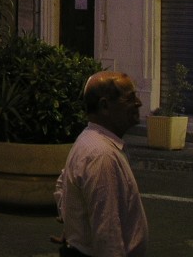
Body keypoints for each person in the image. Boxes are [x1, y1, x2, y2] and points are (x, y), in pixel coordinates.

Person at [55, 71, 147, 257]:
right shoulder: (101, 155)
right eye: (130, 98)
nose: (138, 103)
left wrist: (75, 226)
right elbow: (108, 235)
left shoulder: (89, 141)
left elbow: (62, 187)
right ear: (105, 106)